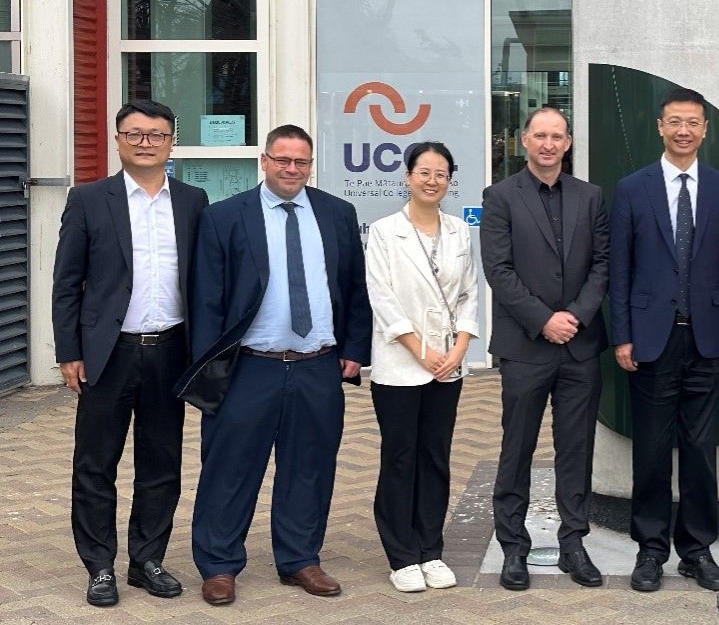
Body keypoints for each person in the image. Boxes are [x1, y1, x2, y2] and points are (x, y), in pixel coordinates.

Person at [175, 124, 372, 606]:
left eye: (300, 161)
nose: (291, 169)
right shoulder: (225, 217)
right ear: (264, 161)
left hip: (317, 365)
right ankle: (219, 565)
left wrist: (354, 350)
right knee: (230, 469)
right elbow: (207, 299)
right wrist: (210, 368)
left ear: (310, 166)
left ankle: (300, 558)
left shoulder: (337, 213)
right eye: (282, 160)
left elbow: (354, 287)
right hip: (248, 367)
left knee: (310, 468)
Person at [51, 100, 208, 607]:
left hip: (171, 350)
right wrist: (69, 350)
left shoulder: (193, 201)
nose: (146, 143)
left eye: (156, 134)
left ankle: (147, 561)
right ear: (118, 140)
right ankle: (99, 566)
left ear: (171, 142)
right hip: (108, 352)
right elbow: (66, 281)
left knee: (161, 463)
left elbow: (203, 280)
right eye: (135, 133)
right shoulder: (88, 199)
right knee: (95, 464)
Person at [610, 87, 719, 594]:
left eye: (692, 123)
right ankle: (650, 550)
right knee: (650, 450)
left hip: (707, 339)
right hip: (650, 340)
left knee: (700, 451)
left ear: (705, 130)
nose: (683, 131)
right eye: (674, 122)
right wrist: (622, 334)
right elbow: (620, 269)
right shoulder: (632, 188)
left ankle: (697, 550)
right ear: (660, 127)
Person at [480, 106, 609, 591]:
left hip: (579, 345)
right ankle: (514, 547)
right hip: (525, 346)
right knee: (517, 449)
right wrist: (543, 320)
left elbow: (602, 264)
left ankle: (573, 543)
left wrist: (574, 316)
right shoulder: (500, 197)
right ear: (524, 140)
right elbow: (498, 270)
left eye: (557, 136)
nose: (549, 144)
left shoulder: (590, 196)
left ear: (568, 142)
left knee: (576, 450)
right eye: (540, 136)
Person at [365, 142, 479, 593]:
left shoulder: (458, 231)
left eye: (441, 174)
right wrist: (420, 350)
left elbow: (469, 293)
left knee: (435, 458)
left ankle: (431, 549)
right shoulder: (384, 231)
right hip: (400, 364)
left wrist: (460, 347)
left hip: (447, 366)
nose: (433, 181)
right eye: (424, 172)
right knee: (400, 458)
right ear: (408, 176)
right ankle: (402, 556)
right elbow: (381, 297)